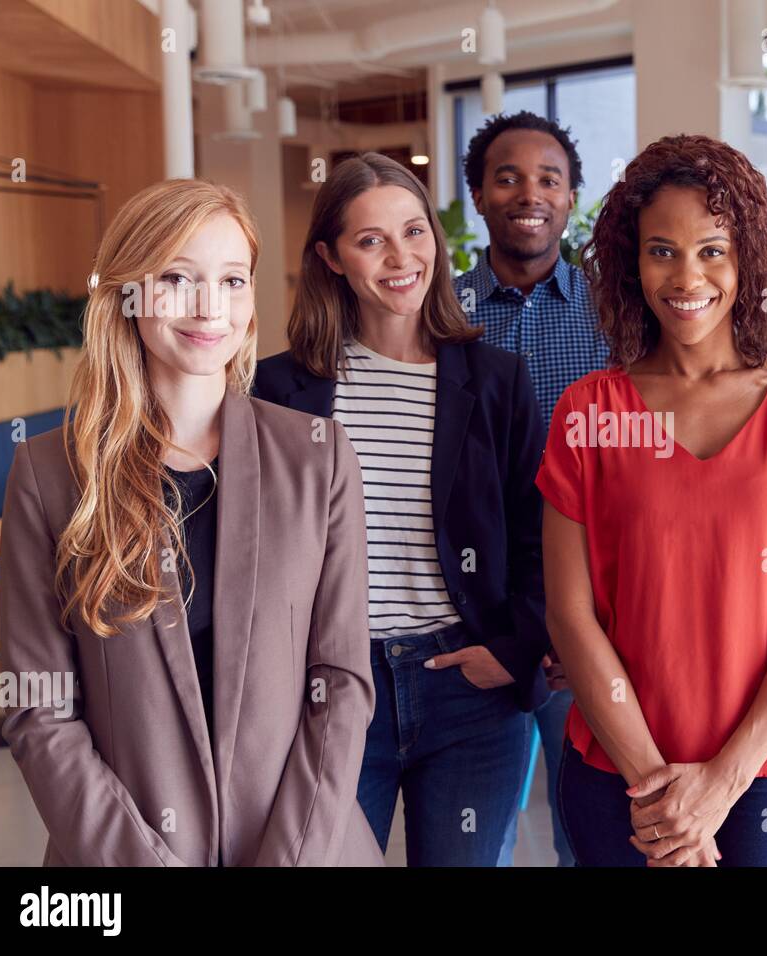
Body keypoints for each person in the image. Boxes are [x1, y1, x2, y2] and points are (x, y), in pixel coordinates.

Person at [0, 178, 382, 865]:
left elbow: (342, 682)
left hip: (306, 848)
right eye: (177, 277)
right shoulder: (50, 473)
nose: (211, 307)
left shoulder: (317, 457)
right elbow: (41, 709)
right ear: (127, 293)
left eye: (233, 280)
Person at [538, 134, 767, 866]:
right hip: (618, 772)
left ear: (747, 256)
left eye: (712, 250)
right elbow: (570, 613)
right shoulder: (588, 410)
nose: (688, 276)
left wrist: (720, 785)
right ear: (633, 261)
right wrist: (657, 790)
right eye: (662, 251)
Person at [253, 152, 548, 867]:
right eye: (370, 240)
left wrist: (513, 653)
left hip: (467, 693)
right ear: (329, 258)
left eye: (414, 232)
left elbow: (542, 536)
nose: (400, 257)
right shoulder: (278, 389)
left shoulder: (497, 380)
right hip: (333, 692)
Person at [454, 110, 610, 866]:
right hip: (480, 613)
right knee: (484, 833)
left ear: (571, 198)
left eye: (549, 178)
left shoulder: (616, 316)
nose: (529, 192)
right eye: (507, 177)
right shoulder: (437, 315)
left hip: (592, 610)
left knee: (587, 830)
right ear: (478, 196)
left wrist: (567, 627)